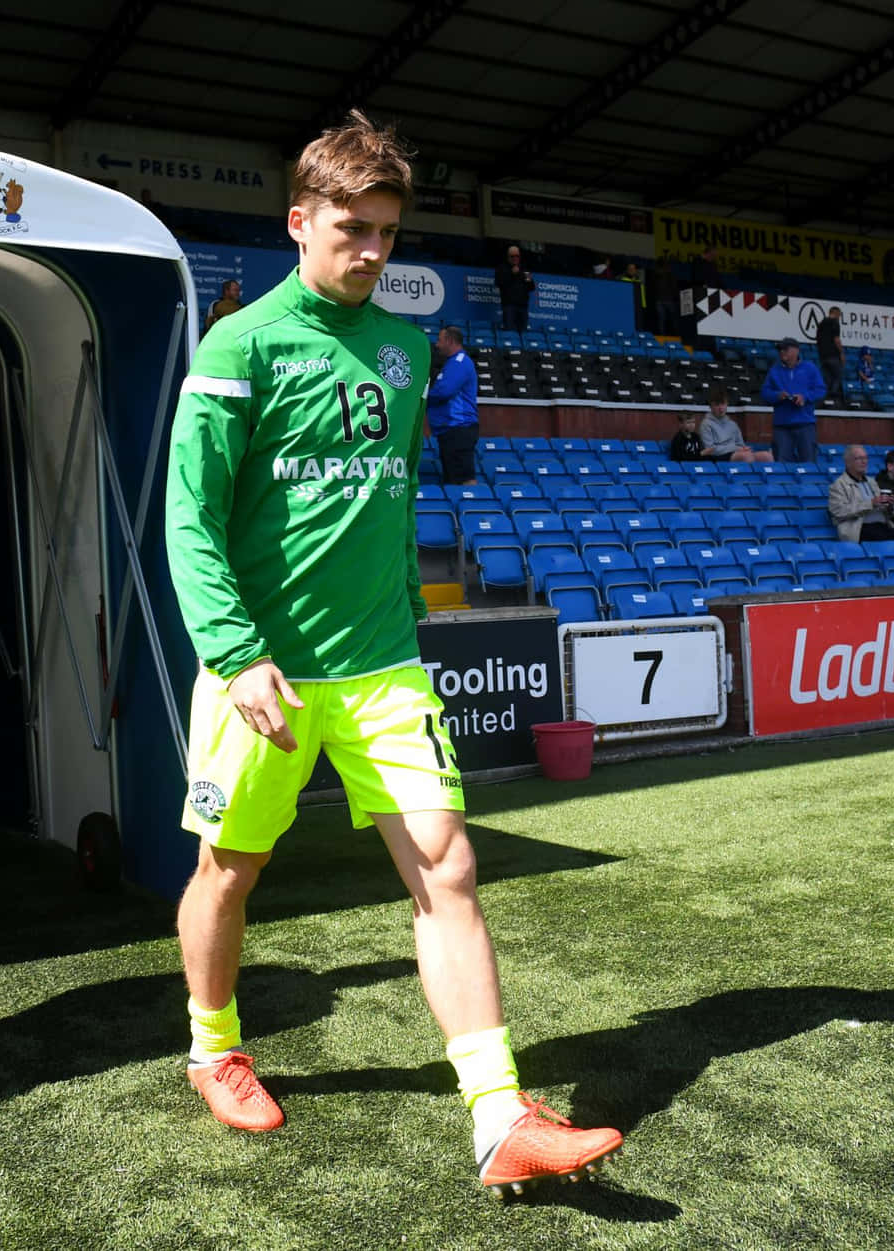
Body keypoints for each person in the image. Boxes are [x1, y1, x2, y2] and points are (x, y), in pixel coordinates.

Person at [164, 109, 621, 1198]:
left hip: (382, 668)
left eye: (385, 231)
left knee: (449, 870)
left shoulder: (407, 349)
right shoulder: (241, 345)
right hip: (263, 670)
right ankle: (212, 1045)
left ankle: (498, 1113)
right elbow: (188, 518)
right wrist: (235, 655)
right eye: (349, 228)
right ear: (299, 221)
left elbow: (386, 495)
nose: (369, 250)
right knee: (231, 870)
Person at [426, 325, 480, 485]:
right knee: (453, 480)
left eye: (439, 340)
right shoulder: (453, 363)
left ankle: (473, 508)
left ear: (449, 341)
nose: (437, 344)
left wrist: (423, 398)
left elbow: (444, 391)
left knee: (464, 480)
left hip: (458, 429)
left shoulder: (459, 362)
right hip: (451, 430)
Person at [761, 337, 825, 463]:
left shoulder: (810, 368)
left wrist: (805, 397)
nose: (782, 352)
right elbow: (765, 393)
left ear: (796, 350)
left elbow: (820, 390)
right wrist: (777, 396)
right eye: (780, 350)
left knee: (809, 464)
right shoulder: (774, 371)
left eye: (785, 349)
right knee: (782, 464)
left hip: (805, 424)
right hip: (782, 426)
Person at [829, 444, 894, 543]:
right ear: (848, 462)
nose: (864, 461)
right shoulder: (839, 485)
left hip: (883, 526)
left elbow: (888, 511)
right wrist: (870, 503)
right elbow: (838, 511)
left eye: (866, 458)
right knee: (893, 542)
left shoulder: (872, 482)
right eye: (859, 458)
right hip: (860, 530)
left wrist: (890, 506)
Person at [698, 385, 772, 462]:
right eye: (717, 405)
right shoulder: (706, 424)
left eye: (723, 404)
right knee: (746, 456)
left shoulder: (732, 424)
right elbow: (710, 450)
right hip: (717, 456)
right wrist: (736, 448)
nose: (720, 408)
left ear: (727, 404)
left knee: (766, 456)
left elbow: (741, 445)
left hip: (736, 453)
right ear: (711, 406)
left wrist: (742, 448)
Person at [494, 245, 534, 333]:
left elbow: (531, 287)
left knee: (523, 333)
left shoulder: (524, 269)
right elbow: (499, 283)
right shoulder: (502, 268)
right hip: (509, 306)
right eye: (512, 256)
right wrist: (511, 274)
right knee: (509, 332)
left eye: (517, 256)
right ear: (508, 257)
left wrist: (526, 277)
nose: (515, 258)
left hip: (523, 306)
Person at [816, 305, 845, 400]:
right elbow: (836, 339)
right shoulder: (835, 322)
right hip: (833, 354)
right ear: (836, 313)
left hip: (823, 356)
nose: (839, 317)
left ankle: (826, 399)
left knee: (827, 379)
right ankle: (833, 395)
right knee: (838, 375)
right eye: (839, 315)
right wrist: (841, 353)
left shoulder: (821, 323)